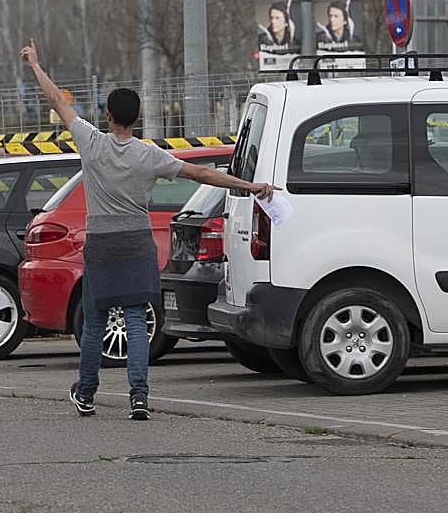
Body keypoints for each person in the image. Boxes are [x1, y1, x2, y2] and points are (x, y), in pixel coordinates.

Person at [20, 39, 277, 421]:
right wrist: (250, 187)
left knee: (95, 321)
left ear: (108, 116)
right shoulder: (149, 155)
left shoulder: (91, 143)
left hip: (102, 246)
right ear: (136, 119)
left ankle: (86, 394)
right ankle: (138, 397)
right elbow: (202, 173)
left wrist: (35, 65)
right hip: (137, 243)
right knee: (138, 319)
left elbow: (58, 101)